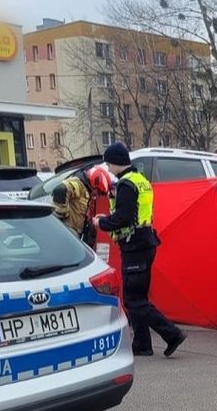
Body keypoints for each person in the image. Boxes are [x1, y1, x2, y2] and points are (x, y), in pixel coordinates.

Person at [93, 142, 186, 358]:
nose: (108, 168)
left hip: (135, 245)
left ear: (116, 162)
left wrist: (102, 222)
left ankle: (172, 334)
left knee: (133, 300)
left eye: (109, 164)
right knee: (139, 296)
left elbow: (123, 218)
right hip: (145, 242)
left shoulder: (126, 184)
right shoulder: (141, 181)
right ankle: (142, 343)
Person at [53, 166, 111, 249]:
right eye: (98, 192)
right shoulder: (78, 185)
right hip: (67, 234)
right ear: (95, 184)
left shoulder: (86, 190)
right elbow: (60, 190)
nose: (97, 195)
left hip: (74, 235)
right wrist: (63, 216)